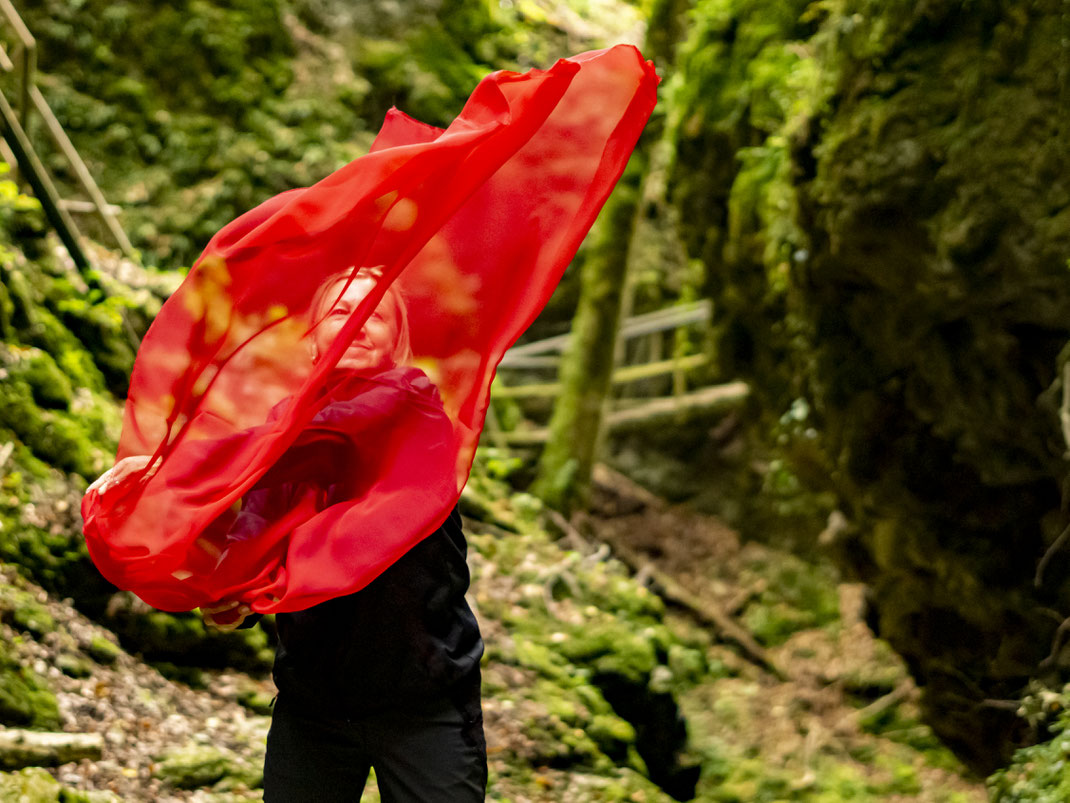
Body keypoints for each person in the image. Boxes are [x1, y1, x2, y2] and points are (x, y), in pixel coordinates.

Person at [90, 269, 487, 802]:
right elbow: (260, 527)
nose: (359, 324)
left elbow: (323, 445)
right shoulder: (284, 430)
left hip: (424, 701)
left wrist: (170, 465)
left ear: (397, 341)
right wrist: (232, 592)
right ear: (315, 336)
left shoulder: (410, 403)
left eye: (377, 314)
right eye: (341, 312)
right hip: (315, 702)